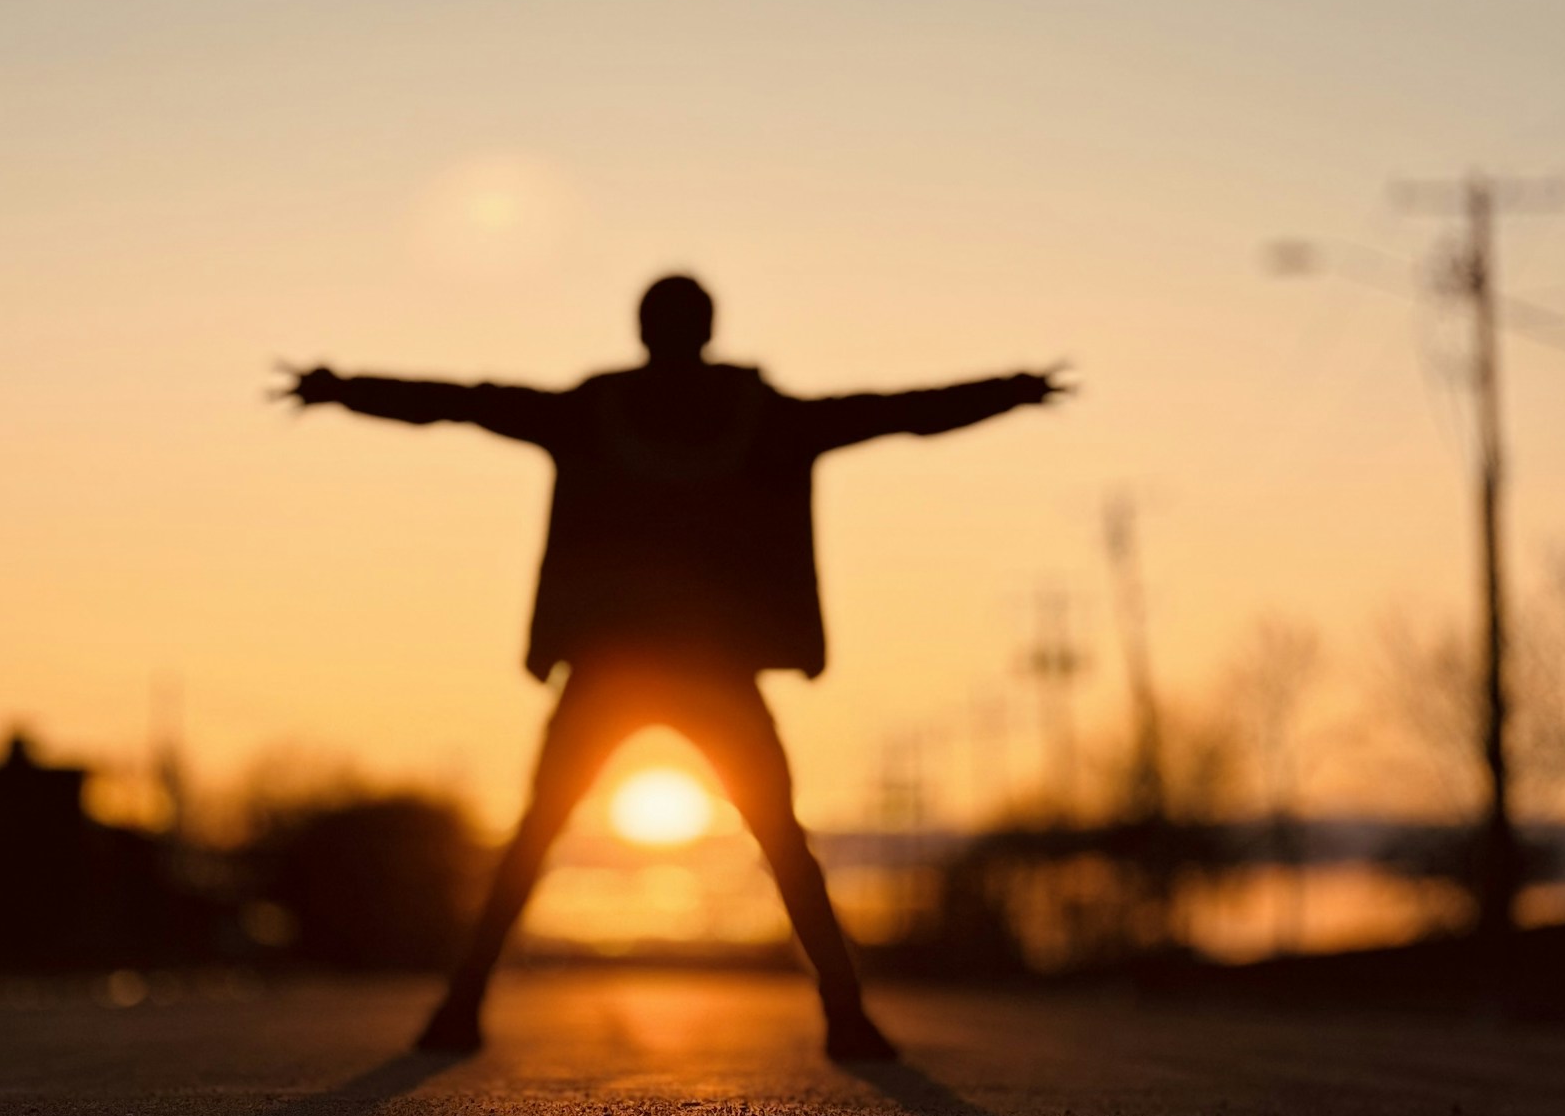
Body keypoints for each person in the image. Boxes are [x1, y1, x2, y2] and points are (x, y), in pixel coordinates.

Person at [278, 276, 1067, 1057]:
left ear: (644, 329)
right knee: (782, 844)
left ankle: (460, 1007)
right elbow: (899, 415)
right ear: (708, 329)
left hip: (611, 668)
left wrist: (341, 389)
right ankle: (846, 1015)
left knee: (537, 836)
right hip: (714, 669)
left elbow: (462, 404)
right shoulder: (763, 420)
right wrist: (1011, 391)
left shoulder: (592, 413)